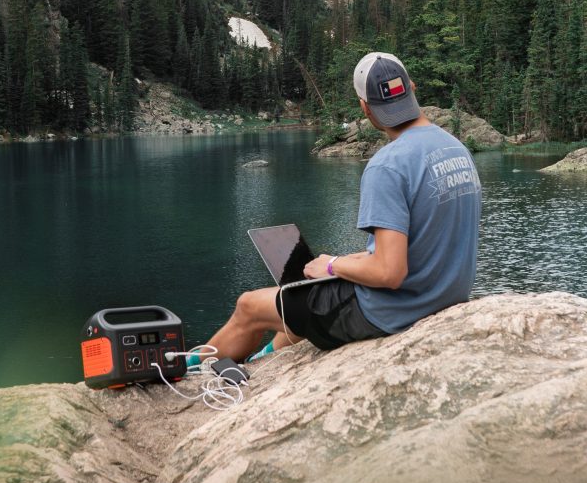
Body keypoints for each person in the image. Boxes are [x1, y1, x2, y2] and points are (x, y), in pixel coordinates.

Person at [202, 52, 481, 363]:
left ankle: (184, 370)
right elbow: (425, 244)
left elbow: (390, 272)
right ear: (412, 88)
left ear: (364, 106)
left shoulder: (387, 165)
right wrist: (347, 263)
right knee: (301, 297)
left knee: (249, 306)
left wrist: (333, 265)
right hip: (441, 298)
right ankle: (267, 360)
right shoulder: (455, 148)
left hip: (390, 312)